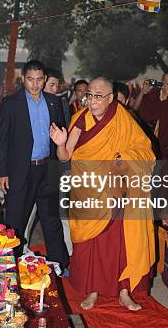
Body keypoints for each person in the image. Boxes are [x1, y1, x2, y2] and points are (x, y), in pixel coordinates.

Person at [50, 77, 156, 312]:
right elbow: (65, 156)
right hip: (88, 192)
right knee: (92, 244)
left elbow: (144, 151)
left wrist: (124, 159)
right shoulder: (80, 119)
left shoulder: (123, 119)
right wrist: (60, 143)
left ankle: (124, 291)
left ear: (110, 99)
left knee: (120, 242)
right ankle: (93, 290)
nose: (92, 100)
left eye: (98, 96)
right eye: (89, 95)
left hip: (117, 191)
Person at [0, 60, 69, 267]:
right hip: (21, 170)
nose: (35, 84)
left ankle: (59, 265)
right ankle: (9, 266)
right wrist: (1, 173)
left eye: (39, 80)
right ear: (23, 79)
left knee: (51, 220)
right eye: (30, 80)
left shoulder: (54, 102)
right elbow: (2, 141)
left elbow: (61, 137)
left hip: (48, 168)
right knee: (15, 222)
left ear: (44, 80)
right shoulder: (11, 103)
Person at [134, 73, 168, 160]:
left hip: (166, 141)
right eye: (164, 80)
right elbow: (135, 109)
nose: (166, 84)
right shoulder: (153, 93)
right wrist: (142, 92)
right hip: (148, 138)